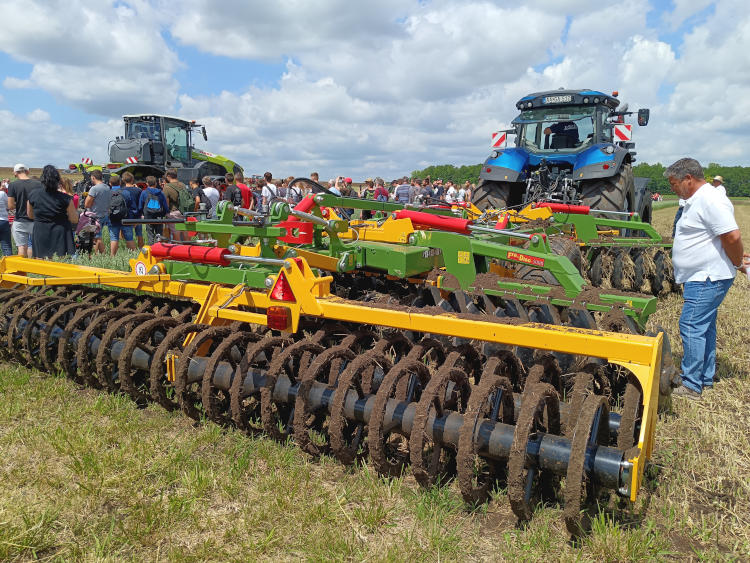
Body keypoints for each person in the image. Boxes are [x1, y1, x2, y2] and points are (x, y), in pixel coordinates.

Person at [666, 158, 747, 401]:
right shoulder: (697, 199)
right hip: (700, 276)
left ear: (688, 179)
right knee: (704, 326)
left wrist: (737, 262)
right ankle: (704, 376)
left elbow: (732, 236)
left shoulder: (710, 199)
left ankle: (692, 385)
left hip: (707, 278)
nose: (672, 188)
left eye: (674, 183)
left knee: (690, 325)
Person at [26, 165, 78, 258]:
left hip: (40, 230)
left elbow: (30, 215)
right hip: (60, 232)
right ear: (57, 180)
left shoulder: (33, 194)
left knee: (41, 262)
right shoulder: (66, 198)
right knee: (60, 263)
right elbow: (74, 219)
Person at [7, 163, 42, 257]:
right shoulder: (38, 184)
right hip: (36, 220)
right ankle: (37, 270)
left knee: (22, 248)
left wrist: (19, 203)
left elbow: (10, 206)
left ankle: (22, 271)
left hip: (20, 220)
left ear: (15, 173)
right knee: (38, 248)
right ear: (27, 171)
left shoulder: (13, 185)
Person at [83, 169, 111, 254]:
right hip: (104, 215)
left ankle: (93, 256)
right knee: (97, 237)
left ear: (93, 177)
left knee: (95, 238)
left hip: (94, 217)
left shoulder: (94, 189)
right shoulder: (107, 187)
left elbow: (87, 204)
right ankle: (103, 255)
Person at [108, 175, 137, 254]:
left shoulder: (108, 193)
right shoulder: (126, 192)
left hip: (112, 219)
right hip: (126, 219)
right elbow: (132, 207)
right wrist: (133, 220)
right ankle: (136, 256)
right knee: (129, 239)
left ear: (110, 183)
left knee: (114, 239)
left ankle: (112, 258)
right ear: (120, 182)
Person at [138, 176, 169, 245]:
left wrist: (141, 214)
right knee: (159, 234)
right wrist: (166, 213)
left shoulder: (144, 193)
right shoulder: (161, 193)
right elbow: (165, 205)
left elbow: (140, 206)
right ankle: (160, 249)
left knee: (150, 235)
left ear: (147, 184)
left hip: (148, 216)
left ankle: (152, 251)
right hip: (159, 216)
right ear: (155, 183)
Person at [162, 169, 189, 241]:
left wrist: (165, 213)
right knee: (185, 233)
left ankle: (178, 250)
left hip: (173, 213)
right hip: (184, 212)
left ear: (168, 176)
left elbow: (166, 203)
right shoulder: (182, 185)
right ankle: (188, 249)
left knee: (176, 234)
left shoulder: (167, 187)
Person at [121, 172, 144, 246]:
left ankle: (126, 248)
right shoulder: (138, 190)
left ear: (123, 180)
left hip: (127, 215)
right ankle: (141, 248)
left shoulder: (122, 190)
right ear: (132, 180)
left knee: (128, 235)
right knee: (139, 234)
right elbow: (141, 203)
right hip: (137, 214)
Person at [0, 184, 12, 256]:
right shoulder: (2, 193)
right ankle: (9, 266)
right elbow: (8, 206)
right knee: (6, 246)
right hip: (3, 220)